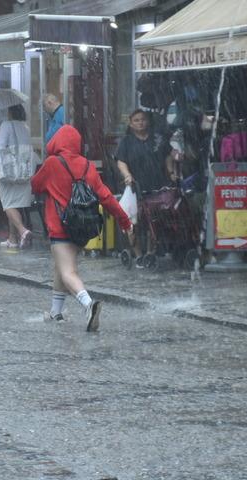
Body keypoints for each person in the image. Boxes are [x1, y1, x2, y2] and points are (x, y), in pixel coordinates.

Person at [31, 125, 133, 332]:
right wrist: (125, 221)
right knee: (60, 268)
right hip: (81, 227)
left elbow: (35, 186)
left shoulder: (52, 163)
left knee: (68, 271)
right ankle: (56, 313)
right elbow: (106, 196)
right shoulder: (87, 165)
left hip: (60, 227)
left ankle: (88, 305)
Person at [114, 109, 174, 266]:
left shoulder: (157, 139)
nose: (140, 123)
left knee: (153, 220)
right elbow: (121, 161)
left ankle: (150, 253)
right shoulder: (126, 142)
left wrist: (171, 171)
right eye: (136, 120)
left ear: (147, 121)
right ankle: (138, 254)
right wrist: (127, 175)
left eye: (143, 119)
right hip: (136, 187)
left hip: (157, 186)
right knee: (133, 221)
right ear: (131, 124)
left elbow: (168, 154)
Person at [0, 104, 35, 248]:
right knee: (15, 204)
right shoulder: (25, 127)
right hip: (23, 172)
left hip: (8, 172)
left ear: (10, 113)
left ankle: (23, 231)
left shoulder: (6, 125)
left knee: (8, 205)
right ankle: (12, 239)